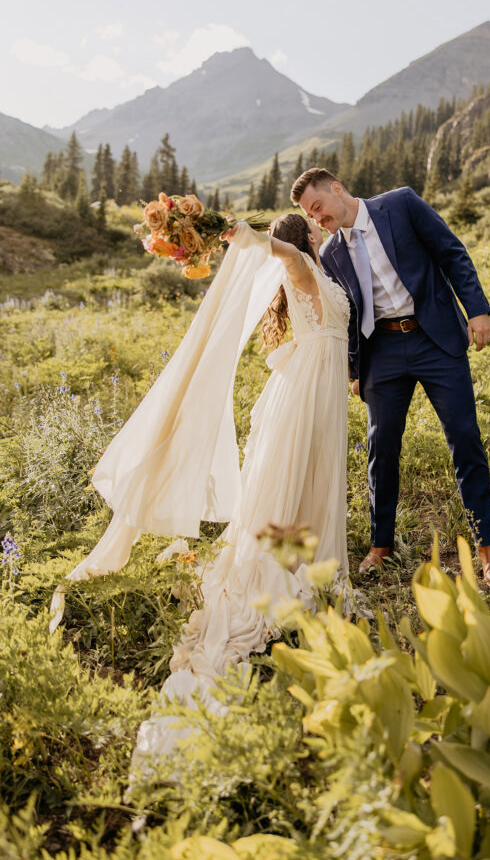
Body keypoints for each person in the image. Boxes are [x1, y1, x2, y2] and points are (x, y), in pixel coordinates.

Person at [50, 213, 351, 758]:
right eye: (312, 225)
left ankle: (306, 555)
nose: (319, 228)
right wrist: (244, 234)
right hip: (304, 394)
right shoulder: (303, 262)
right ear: (305, 236)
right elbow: (282, 256)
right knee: (290, 481)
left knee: (313, 479)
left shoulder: (319, 270)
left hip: (319, 388)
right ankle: (286, 562)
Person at [291, 168, 490, 587]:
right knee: (380, 448)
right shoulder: (333, 251)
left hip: (435, 339)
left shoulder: (401, 204)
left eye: (317, 207)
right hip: (382, 352)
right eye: (309, 215)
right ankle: (381, 546)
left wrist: (477, 309)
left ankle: (488, 549)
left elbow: (452, 252)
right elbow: (347, 313)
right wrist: (355, 369)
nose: (317, 219)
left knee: (465, 439)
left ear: (337, 189)